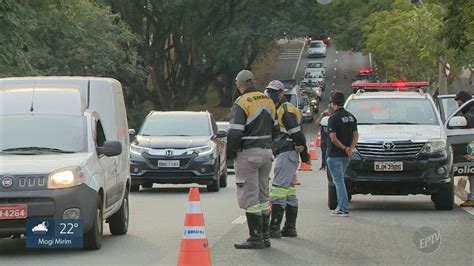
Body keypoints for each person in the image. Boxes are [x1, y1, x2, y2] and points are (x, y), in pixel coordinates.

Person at [227, 70, 276, 249]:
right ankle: (265, 237)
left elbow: (235, 131)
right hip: (266, 153)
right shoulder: (268, 100)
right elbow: (275, 128)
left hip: (248, 154)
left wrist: (230, 154)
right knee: (263, 196)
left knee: (250, 196)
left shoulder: (242, 102)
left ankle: (255, 238)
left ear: (239, 84)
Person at [264, 80, 310, 238]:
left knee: (277, 190)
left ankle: (274, 228)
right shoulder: (279, 109)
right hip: (287, 153)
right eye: (268, 91)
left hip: (286, 153)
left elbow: (297, 133)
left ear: (282, 93)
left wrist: (305, 155)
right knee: (289, 193)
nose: (270, 95)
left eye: (274, 92)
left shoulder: (285, 109)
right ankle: (289, 228)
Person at [326, 91, 358, 217]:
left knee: (338, 181)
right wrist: (351, 148)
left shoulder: (333, 118)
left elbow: (333, 138)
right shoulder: (351, 116)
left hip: (335, 155)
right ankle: (341, 206)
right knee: (341, 180)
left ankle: (343, 208)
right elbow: (355, 135)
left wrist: (344, 148)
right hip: (346, 156)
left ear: (333, 103)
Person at [455, 91, 474, 207]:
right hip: (470, 143)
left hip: (471, 142)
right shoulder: (468, 108)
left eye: (460, 103)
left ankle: (472, 197)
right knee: (471, 170)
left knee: (471, 169)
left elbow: (466, 122)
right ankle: (472, 197)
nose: (459, 106)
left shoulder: (471, 109)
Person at [315, 104, 331, 170]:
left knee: (329, 153)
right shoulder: (323, 119)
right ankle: (323, 165)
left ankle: (329, 166)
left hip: (331, 139)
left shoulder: (333, 118)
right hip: (324, 139)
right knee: (323, 153)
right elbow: (316, 123)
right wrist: (321, 115)